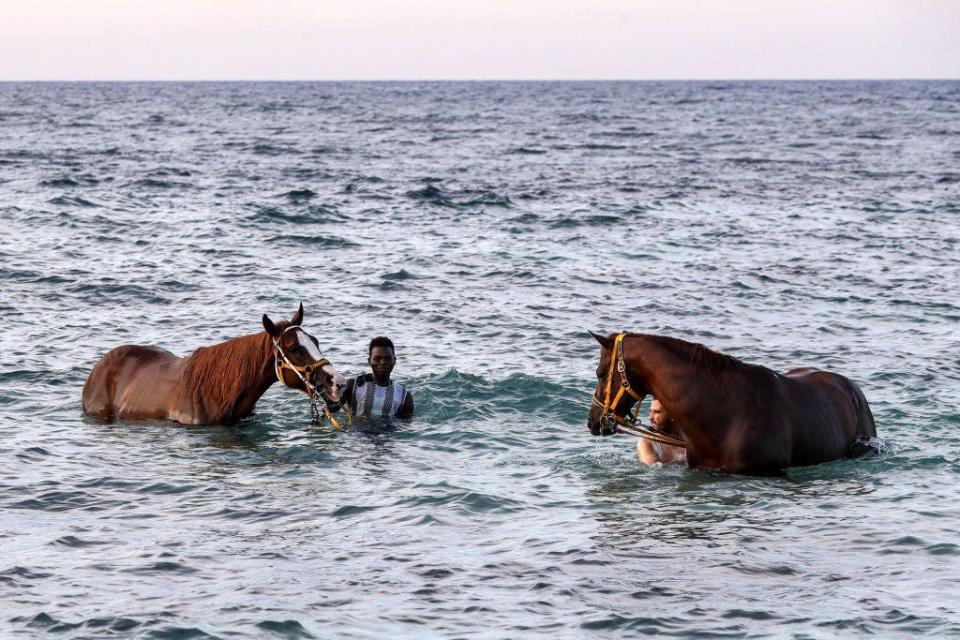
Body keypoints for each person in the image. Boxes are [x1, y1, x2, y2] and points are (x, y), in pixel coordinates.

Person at [341, 336, 414, 420]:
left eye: (387, 358)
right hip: (356, 432)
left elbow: (405, 425)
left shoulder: (404, 396)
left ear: (394, 361)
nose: (383, 362)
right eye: (377, 358)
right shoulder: (353, 386)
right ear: (369, 361)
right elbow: (333, 406)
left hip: (388, 432)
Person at [637, 399, 686, 465]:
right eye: (650, 411)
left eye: (657, 412)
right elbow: (653, 473)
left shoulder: (689, 440)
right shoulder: (646, 443)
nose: (650, 417)